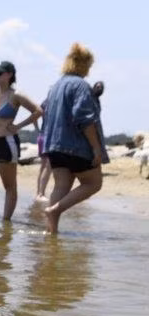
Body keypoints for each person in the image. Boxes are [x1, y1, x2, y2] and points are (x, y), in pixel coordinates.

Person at [40, 43, 108, 234]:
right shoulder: (81, 86)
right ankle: (55, 210)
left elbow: (43, 109)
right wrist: (95, 148)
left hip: (54, 145)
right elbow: (84, 118)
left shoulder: (55, 87)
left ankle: (51, 232)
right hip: (76, 146)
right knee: (94, 183)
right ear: (85, 65)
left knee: (61, 185)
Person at [0, 61, 42, 221]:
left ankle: (6, 224)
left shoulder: (16, 95)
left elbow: (38, 110)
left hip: (7, 143)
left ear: (9, 75)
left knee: (9, 187)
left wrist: (19, 126)